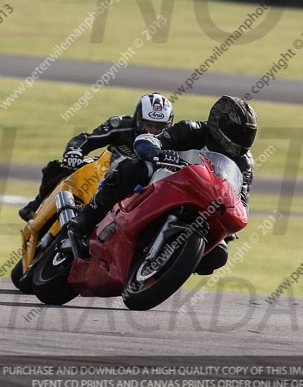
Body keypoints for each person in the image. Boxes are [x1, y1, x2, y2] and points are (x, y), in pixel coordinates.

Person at [69, 95, 257, 274]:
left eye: (248, 134)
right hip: (171, 182)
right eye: (239, 133)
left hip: (207, 205)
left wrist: (230, 227)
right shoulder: (192, 129)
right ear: (219, 124)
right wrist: (155, 152)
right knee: (133, 169)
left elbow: (242, 202)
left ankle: (168, 267)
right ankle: (86, 220)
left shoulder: (244, 163)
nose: (243, 140)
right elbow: (151, 139)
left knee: (218, 255)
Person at [18, 93, 174, 220]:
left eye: (158, 127)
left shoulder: (171, 142)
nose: (152, 131)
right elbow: (88, 139)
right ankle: (35, 205)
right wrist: (75, 152)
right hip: (102, 167)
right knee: (59, 168)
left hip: (134, 189)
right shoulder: (119, 125)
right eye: (149, 125)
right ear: (139, 120)